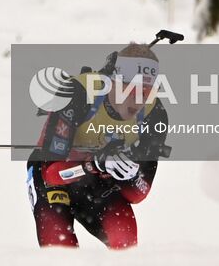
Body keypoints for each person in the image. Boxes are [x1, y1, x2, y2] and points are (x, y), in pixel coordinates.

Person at [25, 43, 169, 249]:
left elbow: (138, 194)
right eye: (131, 88)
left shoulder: (154, 114)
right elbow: (50, 174)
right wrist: (92, 165)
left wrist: (130, 175)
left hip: (98, 182)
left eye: (147, 91)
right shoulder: (78, 94)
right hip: (55, 174)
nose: (139, 99)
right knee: (59, 252)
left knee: (126, 245)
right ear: (113, 82)